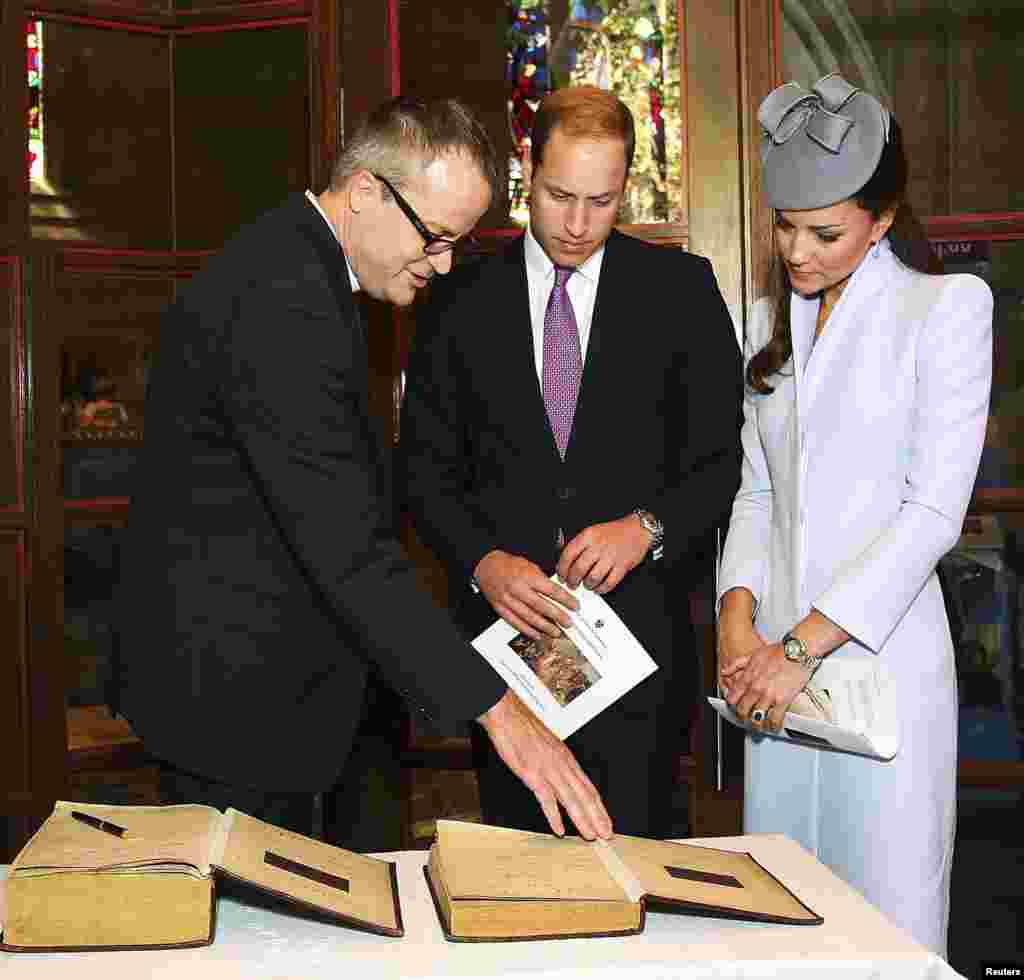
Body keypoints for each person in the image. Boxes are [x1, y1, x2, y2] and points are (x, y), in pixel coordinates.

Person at [118, 97, 612, 843]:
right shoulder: (282, 300)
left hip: (276, 687)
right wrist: (505, 715)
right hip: (232, 697)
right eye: (437, 237)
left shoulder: (301, 268)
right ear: (367, 191)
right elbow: (348, 550)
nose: (444, 263)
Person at [400, 86, 743, 838]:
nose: (579, 225)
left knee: (639, 877)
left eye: (603, 200)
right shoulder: (456, 295)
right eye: (559, 197)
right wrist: (479, 560)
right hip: (506, 658)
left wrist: (647, 527)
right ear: (527, 169)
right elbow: (421, 468)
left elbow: (720, 463)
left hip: (639, 658)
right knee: (519, 881)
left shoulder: (681, 292)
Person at [717, 74, 992, 954]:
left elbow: (932, 515)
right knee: (784, 925)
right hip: (771, 684)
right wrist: (737, 628)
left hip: (879, 672)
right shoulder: (764, 319)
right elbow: (756, 491)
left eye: (825, 232)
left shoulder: (943, 311)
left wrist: (799, 648)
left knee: (886, 929)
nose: (797, 251)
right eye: (785, 226)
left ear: (881, 218)